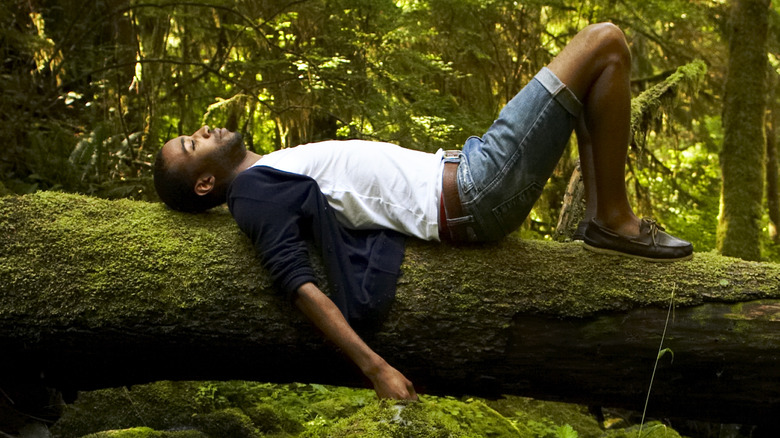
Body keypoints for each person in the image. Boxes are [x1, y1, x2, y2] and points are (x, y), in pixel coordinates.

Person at [153, 23, 693, 401]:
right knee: (605, 41)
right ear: (205, 183)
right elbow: (298, 285)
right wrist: (376, 368)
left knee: (599, 68)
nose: (202, 130)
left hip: (472, 169)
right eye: (191, 143)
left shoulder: (269, 168)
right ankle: (614, 220)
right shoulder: (252, 194)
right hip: (476, 192)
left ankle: (606, 215)